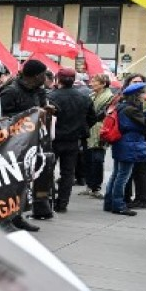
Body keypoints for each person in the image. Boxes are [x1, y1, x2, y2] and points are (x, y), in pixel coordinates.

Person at [0, 59, 56, 232]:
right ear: (36, 76)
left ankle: (18, 216)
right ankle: (6, 218)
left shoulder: (38, 91)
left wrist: (47, 109)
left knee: (24, 182)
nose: (45, 78)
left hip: (31, 143)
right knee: (10, 183)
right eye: (43, 74)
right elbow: (2, 117)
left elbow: (40, 107)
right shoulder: (11, 91)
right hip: (11, 144)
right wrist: (30, 114)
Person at [104, 83, 146, 216]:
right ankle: (118, 205)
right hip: (130, 144)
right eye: (144, 93)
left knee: (117, 173)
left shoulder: (121, 106)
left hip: (121, 142)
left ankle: (109, 202)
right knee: (123, 175)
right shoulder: (131, 110)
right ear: (137, 95)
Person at [48, 68, 96, 213]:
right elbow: (92, 118)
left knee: (48, 170)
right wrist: (81, 128)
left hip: (54, 139)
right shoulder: (84, 97)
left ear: (58, 79)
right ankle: (62, 203)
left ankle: (49, 200)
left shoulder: (52, 97)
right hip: (73, 140)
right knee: (68, 173)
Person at [122, 73, 146, 209]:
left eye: (140, 82)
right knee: (128, 170)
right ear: (128, 83)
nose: (137, 84)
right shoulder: (125, 98)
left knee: (140, 169)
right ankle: (127, 197)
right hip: (132, 138)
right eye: (134, 81)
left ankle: (141, 199)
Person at [79, 74, 115, 199]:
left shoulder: (109, 96)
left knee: (98, 159)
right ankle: (89, 185)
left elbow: (104, 113)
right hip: (89, 130)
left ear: (103, 83)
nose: (92, 83)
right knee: (88, 159)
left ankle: (96, 187)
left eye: (95, 81)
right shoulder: (91, 95)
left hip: (100, 129)